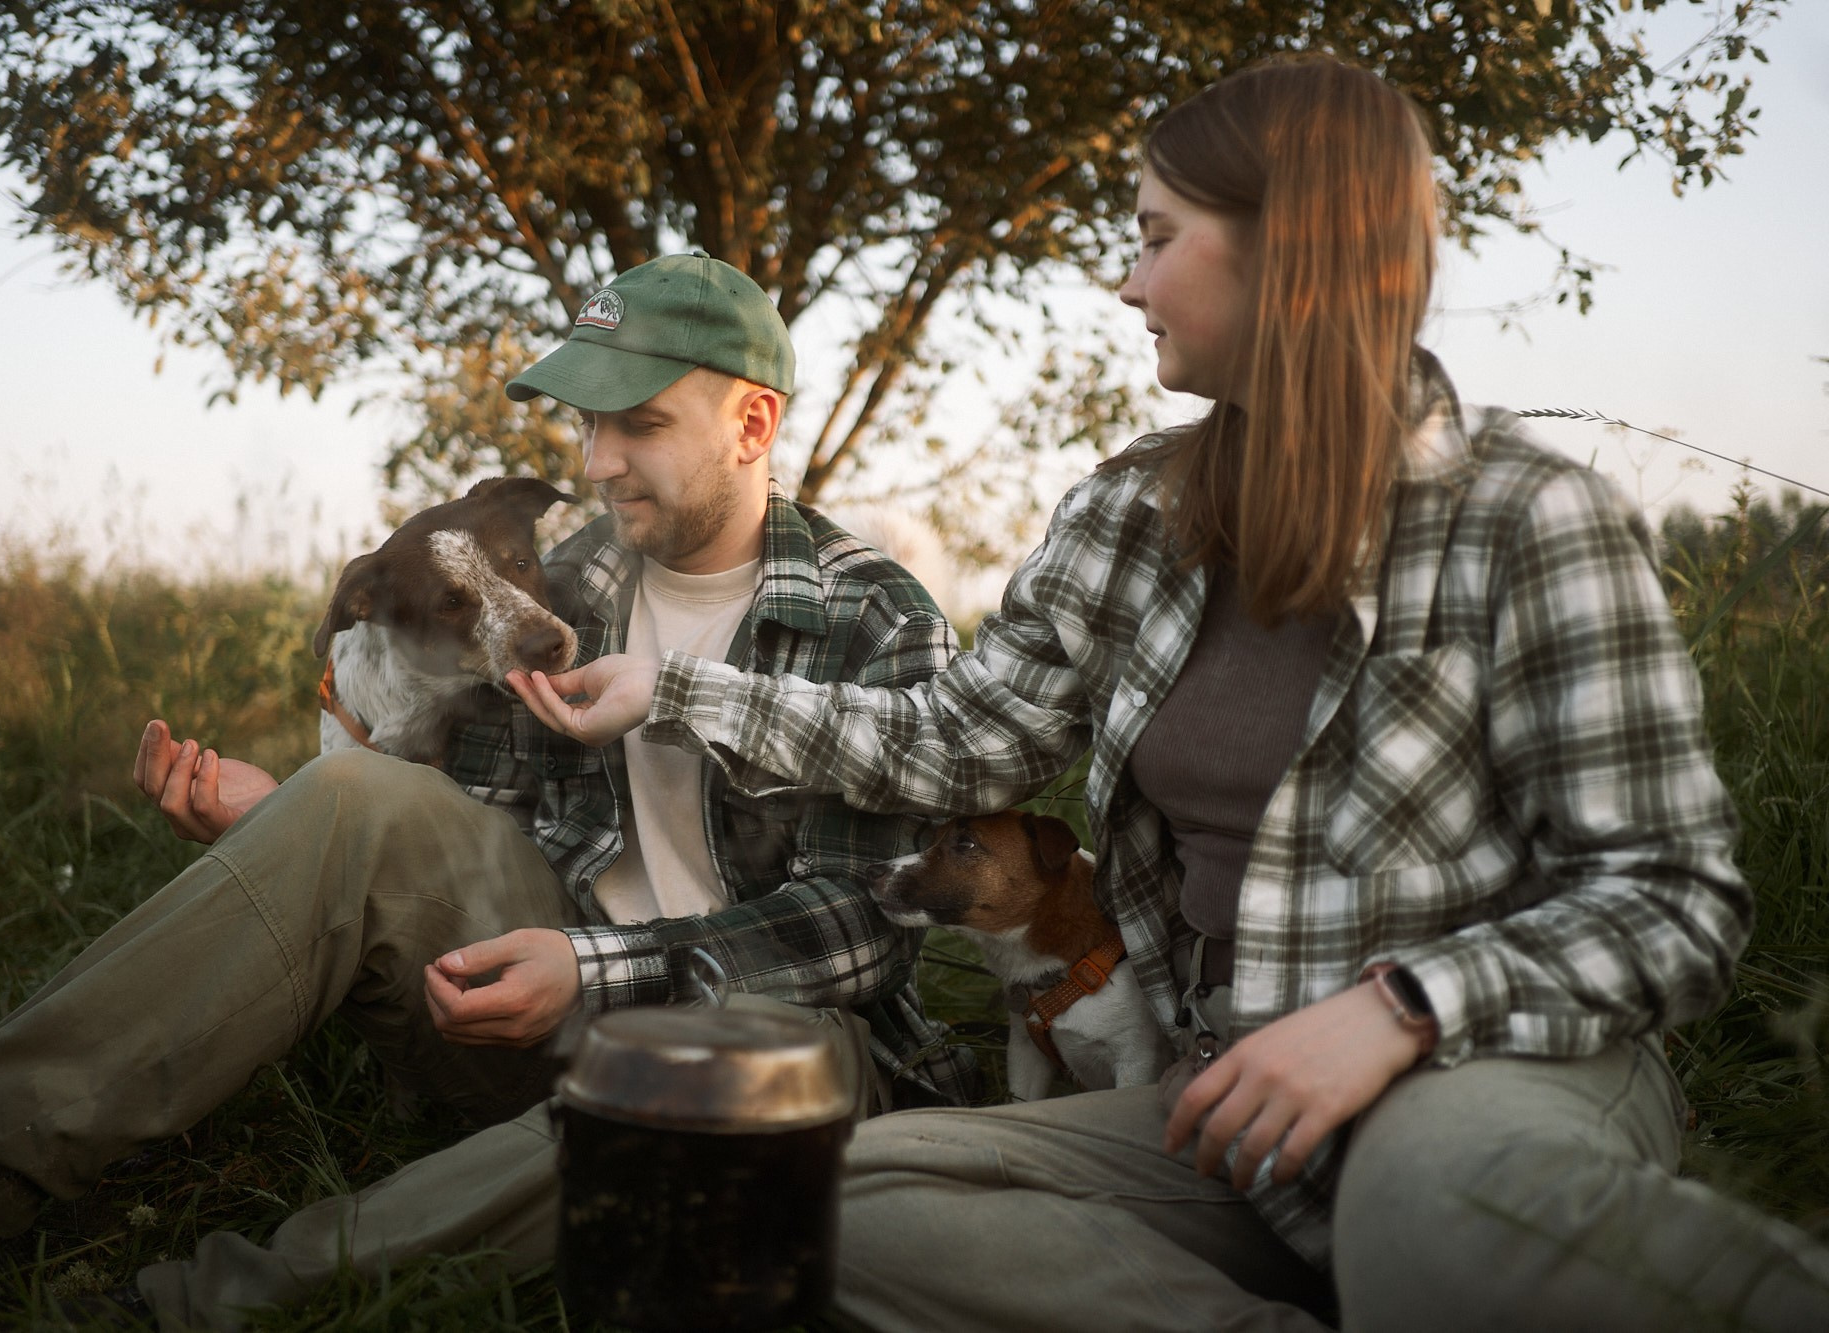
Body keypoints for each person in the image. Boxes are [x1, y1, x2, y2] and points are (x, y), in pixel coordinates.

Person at [513, 60, 1829, 1331]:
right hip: (1230, 1104)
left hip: (1484, 1066)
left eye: (1155, 235)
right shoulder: (1129, 513)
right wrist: (675, 690)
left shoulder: (1529, 520)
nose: (1123, 276)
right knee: (835, 1203)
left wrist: (1396, 1008)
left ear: (1288, 246)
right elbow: (961, 740)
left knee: (1429, 1209)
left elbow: (1672, 900)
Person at [0, 253, 977, 1326]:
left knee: (723, 1068)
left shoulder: (872, 613)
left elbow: (869, 926)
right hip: (543, 1001)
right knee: (351, 798)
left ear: (752, 422)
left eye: (639, 425)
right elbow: (447, 805)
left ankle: (205, 1299)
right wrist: (282, 822)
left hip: (791, 1050)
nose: (593, 462)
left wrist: (597, 963)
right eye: (586, 424)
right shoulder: (555, 587)